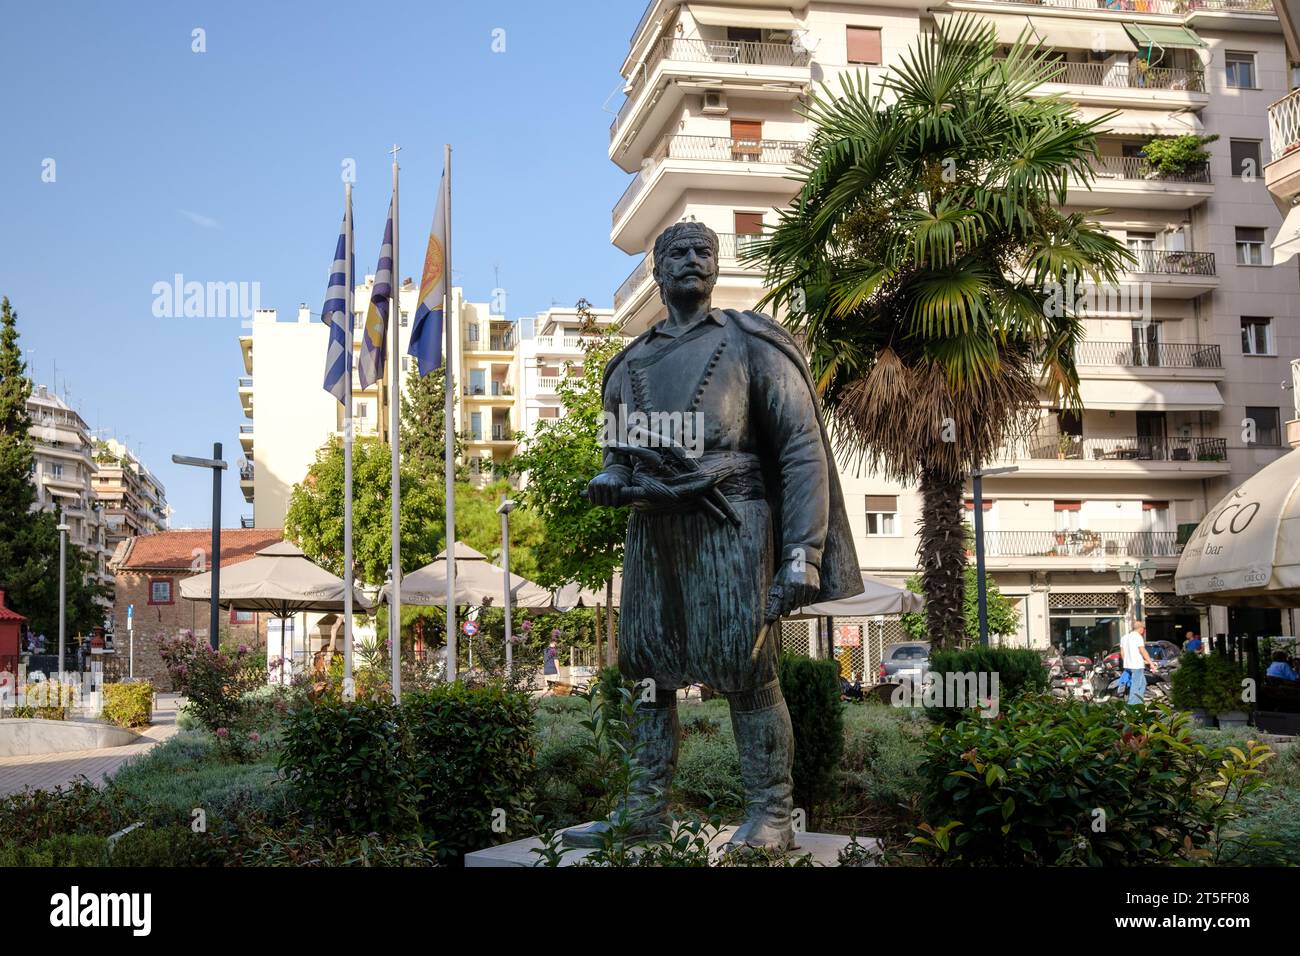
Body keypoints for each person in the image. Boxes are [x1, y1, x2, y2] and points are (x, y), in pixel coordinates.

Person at [568, 221, 862, 852]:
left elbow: (801, 450)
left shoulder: (753, 344)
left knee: (747, 670)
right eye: (678, 251)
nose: (693, 260)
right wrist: (609, 479)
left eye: (705, 251)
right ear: (657, 269)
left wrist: (802, 554)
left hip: (736, 524)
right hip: (653, 533)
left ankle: (773, 815)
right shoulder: (629, 364)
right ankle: (643, 808)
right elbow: (619, 455)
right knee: (645, 672)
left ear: (719, 265)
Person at [1120, 620, 1154, 705]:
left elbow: (1122, 652)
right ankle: (1132, 706)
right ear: (1141, 629)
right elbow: (1142, 650)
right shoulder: (1138, 637)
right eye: (1143, 628)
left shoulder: (1124, 637)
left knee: (1143, 683)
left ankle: (1139, 703)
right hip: (1136, 666)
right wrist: (1151, 663)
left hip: (1128, 665)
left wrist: (1127, 662)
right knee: (1136, 685)